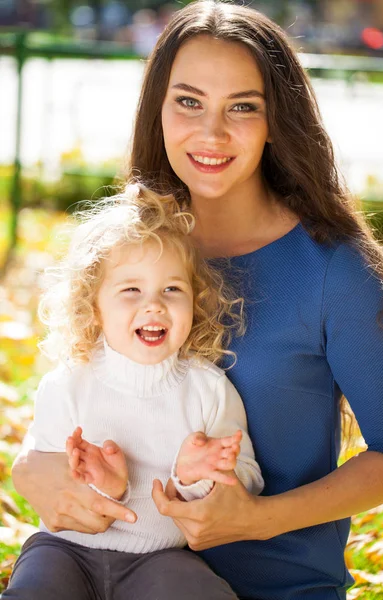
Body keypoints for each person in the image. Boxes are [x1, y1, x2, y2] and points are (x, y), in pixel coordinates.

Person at [11, 1, 383, 599]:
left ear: (277, 122)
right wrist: (32, 473)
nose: (211, 133)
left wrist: (258, 519)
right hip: (102, 575)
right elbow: (78, 389)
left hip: (275, 589)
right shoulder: (136, 246)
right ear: (158, 110)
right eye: (188, 102)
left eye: (243, 107)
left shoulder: (333, 269)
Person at [4, 184, 263, 599]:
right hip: (65, 549)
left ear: (195, 302)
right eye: (131, 290)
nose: (154, 306)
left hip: (161, 557)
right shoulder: (69, 383)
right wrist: (100, 485)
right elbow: (47, 482)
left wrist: (195, 477)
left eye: (172, 290)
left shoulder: (209, 389)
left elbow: (248, 479)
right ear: (94, 306)